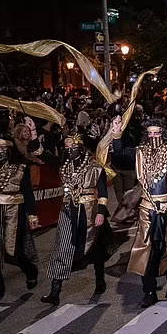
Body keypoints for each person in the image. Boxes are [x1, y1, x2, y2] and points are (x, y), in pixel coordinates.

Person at [113, 116, 167, 308]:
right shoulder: (140, 152)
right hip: (148, 207)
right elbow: (120, 155)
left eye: (157, 133)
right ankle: (148, 290)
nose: (153, 136)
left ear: (163, 134)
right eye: (150, 133)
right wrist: (117, 132)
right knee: (147, 248)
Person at [40, 129, 111, 306]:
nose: (69, 150)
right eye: (66, 147)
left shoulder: (95, 168)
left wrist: (101, 212)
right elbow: (43, 155)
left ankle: (100, 278)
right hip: (68, 209)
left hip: (90, 211)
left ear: (80, 146)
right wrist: (34, 134)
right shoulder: (64, 165)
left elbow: (102, 192)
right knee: (62, 247)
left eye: (72, 146)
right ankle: (55, 292)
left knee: (95, 247)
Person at [0, 129, 40, 302]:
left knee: (13, 249)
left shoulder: (20, 167)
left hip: (14, 210)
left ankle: (30, 270)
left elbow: (27, 191)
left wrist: (32, 214)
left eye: (2, 148)